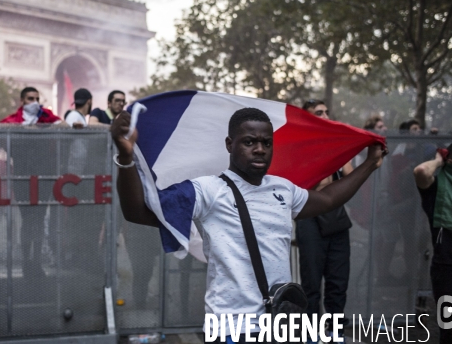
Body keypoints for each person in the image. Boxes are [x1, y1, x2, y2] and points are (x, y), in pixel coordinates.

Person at [111, 107, 386, 341]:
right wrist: (125, 157)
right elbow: (138, 211)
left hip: (278, 325)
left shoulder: (283, 189)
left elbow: (326, 200)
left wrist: (370, 165)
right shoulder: (208, 190)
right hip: (230, 327)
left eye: (267, 143)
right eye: (249, 142)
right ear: (229, 144)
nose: (259, 149)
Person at [296, 99, 354, 341]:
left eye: (327, 112)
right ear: (308, 118)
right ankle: (311, 334)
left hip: (337, 220)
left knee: (338, 282)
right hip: (310, 220)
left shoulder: (335, 145)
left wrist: (342, 149)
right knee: (311, 284)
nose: (326, 116)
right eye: (319, 113)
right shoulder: (299, 147)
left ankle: (335, 332)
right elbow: (306, 187)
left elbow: (350, 178)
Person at [0, 87, 60, 278]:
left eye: (36, 98)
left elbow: (63, 124)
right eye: (30, 98)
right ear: (22, 101)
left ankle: (37, 262)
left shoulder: (46, 116)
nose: (34, 102)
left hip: (44, 176)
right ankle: (27, 261)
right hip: (23, 176)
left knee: (39, 219)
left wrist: (47, 127)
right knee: (27, 219)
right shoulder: (14, 120)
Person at [414, 142, 452, 344]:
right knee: (450, 329)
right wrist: (438, 160)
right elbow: (420, 171)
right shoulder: (435, 188)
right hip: (448, 270)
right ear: (450, 162)